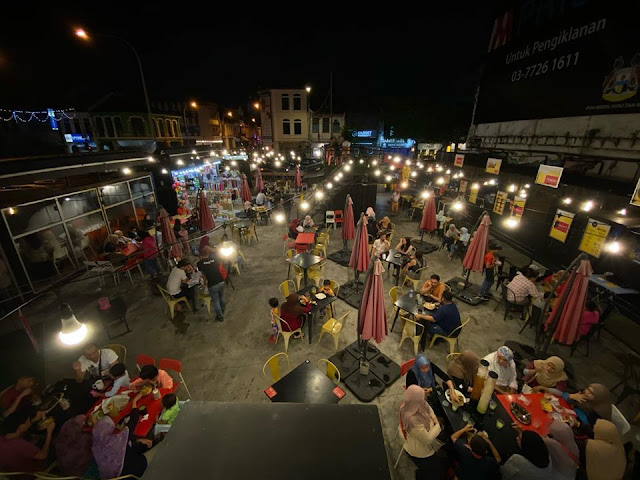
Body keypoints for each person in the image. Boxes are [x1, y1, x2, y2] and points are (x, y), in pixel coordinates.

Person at [91, 392, 148, 479]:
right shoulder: (117, 440)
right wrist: (134, 401)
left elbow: (99, 430)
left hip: (116, 477)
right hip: (134, 471)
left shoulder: (95, 448)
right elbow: (133, 420)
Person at [398, 385, 443, 479]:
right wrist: (437, 425)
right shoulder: (412, 420)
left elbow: (430, 410)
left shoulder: (414, 403)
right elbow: (428, 439)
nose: (425, 398)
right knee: (435, 473)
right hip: (418, 450)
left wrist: (433, 420)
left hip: (423, 435)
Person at [197, 250, 226, 322]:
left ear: (200, 256)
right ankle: (223, 309)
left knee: (215, 301)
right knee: (221, 297)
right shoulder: (214, 259)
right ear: (207, 255)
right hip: (221, 281)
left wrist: (204, 284)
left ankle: (220, 317)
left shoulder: (200, 263)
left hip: (212, 285)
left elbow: (203, 276)